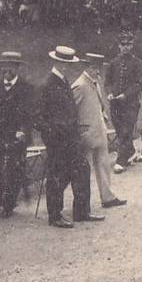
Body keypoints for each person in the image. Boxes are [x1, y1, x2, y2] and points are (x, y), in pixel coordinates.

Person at [36, 46, 97, 228]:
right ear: (56, 62)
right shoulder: (46, 84)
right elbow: (37, 117)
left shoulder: (64, 81)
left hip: (71, 138)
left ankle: (81, 211)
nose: (66, 67)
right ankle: (55, 216)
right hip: (57, 140)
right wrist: (52, 133)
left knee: (82, 170)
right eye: (63, 63)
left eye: (69, 64)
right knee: (57, 175)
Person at [0, 51, 34, 219]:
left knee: (14, 169)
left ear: (17, 68)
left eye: (11, 66)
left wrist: (24, 131)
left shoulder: (26, 88)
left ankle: (9, 204)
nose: (7, 69)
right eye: (5, 66)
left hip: (16, 136)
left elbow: (29, 114)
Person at [72, 53, 124, 211]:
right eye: (95, 68)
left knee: (104, 164)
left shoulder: (95, 81)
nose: (98, 71)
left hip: (99, 130)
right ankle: (82, 204)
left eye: (99, 67)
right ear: (88, 67)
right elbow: (71, 110)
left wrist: (103, 114)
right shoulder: (80, 85)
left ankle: (108, 197)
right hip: (87, 133)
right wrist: (80, 128)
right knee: (83, 170)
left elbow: (98, 104)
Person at [105, 32, 142, 173]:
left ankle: (120, 161)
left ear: (132, 45)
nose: (125, 48)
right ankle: (130, 151)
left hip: (130, 104)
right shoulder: (113, 63)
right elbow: (107, 82)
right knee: (119, 130)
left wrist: (126, 95)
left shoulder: (138, 63)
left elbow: (140, 84)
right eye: (123, 44)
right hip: (115, 104)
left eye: (128, 44)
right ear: (118, 46)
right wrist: (110, 93)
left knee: (126, 130)